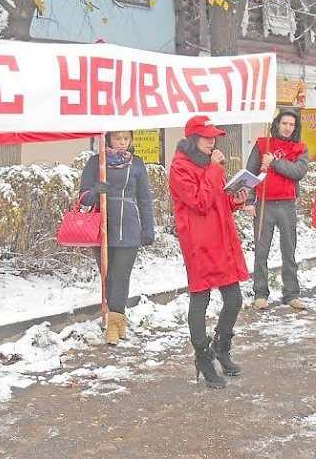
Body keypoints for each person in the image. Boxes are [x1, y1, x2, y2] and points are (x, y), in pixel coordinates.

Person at [169, 115, 250, 389]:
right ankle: (203, 358)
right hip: (198, 244)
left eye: (214, 136)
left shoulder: (210, 165)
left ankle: (221, 346)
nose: (212, 141)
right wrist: (215, 171)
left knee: (234, 299)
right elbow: (200, 202)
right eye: (207, 137)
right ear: (193, 139)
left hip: (222, 240)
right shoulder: (180, 168)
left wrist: (234, 200)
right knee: (200, 300)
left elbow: (217, 199)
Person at [79, 131, 154, 345]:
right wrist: (96, 191)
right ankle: (118, 319)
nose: (122, 143)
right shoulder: (96, 162)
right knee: (108, 275)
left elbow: (145, 198)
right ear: (108, 139)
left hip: (129, 225)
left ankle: (113, 324)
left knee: (121, 275)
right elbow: (83, 197)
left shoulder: (137, 164)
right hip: (102, 225)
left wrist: (148, 228)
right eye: (118, 138)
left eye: (126, 138)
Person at [244, 109, 309, 310]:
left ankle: (291, 293)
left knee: (289, 250)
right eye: (284, 123)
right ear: (277, 124)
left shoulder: (300, 149)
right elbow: (250, 172)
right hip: (265, 204)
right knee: (261, 251)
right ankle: (261, 293)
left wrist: (275, 162)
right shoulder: (263, 144)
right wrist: (249, 201)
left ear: (295, 127)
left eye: (292, 124)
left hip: (287, 205)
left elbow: (297, 172)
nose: (288, 127)